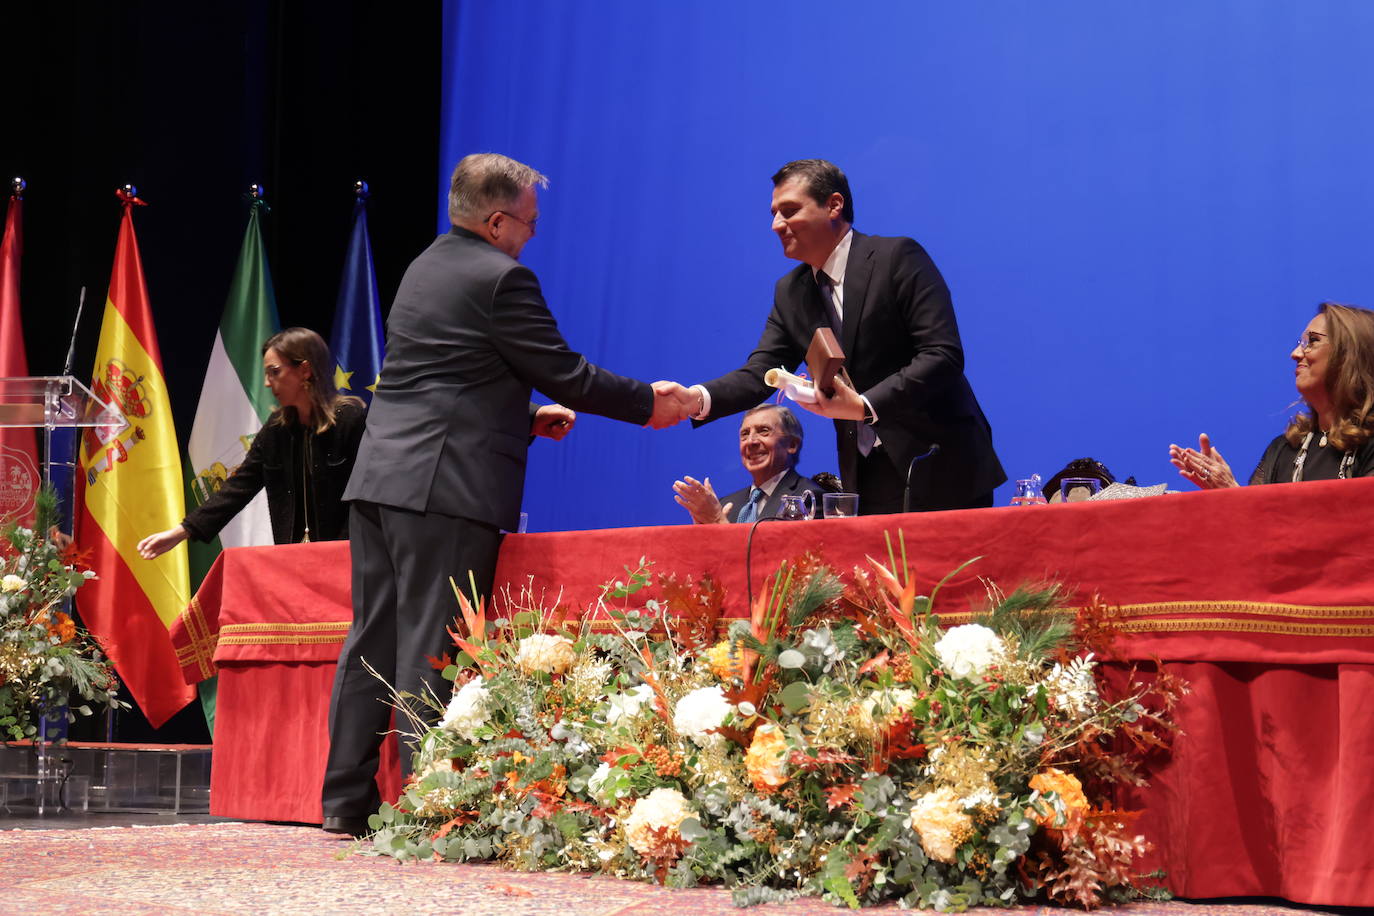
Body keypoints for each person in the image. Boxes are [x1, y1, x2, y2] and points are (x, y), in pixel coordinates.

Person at [321, 153, 693, 836]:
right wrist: (649, 403)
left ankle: (344, 803)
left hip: (380, 479)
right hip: (445, 486)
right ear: (496, 222)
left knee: (371, 639)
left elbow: (441, 377)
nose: (532, 236)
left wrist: (520, 420)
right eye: (528, 222)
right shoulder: (504, 278)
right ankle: (428, 809)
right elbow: (566, 372)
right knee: (430, 647)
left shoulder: (424, 266)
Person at [679, 159, 1005, 514]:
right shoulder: (791, 292)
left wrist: (864, 406)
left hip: (939, 464)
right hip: (865, 476)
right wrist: (695, 398)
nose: (776, 225)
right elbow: (762, 372)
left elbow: (942, 355)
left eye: (789, 210)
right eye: (773, 213)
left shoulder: (896, 258)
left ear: (834, 205)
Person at [136, 328, 365, 558]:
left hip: (349, 560)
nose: (267, 383)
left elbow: (366, 500)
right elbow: (238, 488)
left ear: (305, 370)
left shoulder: (350, 420)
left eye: (274, 372)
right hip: (295, 561)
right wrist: (181, 532)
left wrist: (343, 554)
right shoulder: (277, 430)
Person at [1170, 302, 1374, 487]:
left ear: (1350, 355)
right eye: (1301, 342)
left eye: (1312, 341)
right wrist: (1229, 493)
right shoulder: (1284, 448)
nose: (1295, 354)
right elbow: (1260, 522)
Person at [673, 404, 827, 523]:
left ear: (792, 444)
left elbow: (784, 558)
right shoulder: (725, 504)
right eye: (744, 434)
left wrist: (718, 523)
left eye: (763, 431)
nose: (751, 442)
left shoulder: (808, 498)